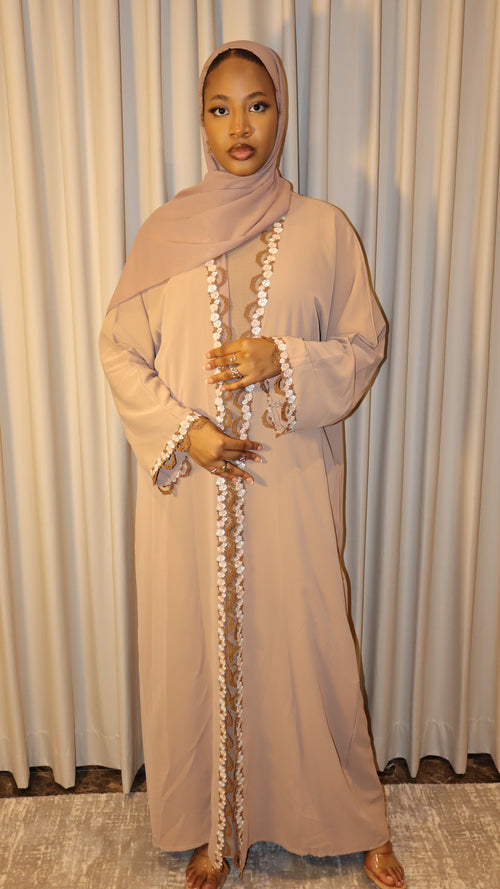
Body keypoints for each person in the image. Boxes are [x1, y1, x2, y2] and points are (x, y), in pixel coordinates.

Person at [99, 40, 406, 889]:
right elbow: (120, 350)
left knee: (313, 648)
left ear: (281, 113)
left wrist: (287, 358)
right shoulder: (164, 234)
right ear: (200, 123)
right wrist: (183, 431)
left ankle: (355, 816)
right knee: (197, 651)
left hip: (291, 488)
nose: (241, 125)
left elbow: (365, 345)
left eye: (258, 105)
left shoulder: (324, 230)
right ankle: (213, 825)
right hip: (193, 495)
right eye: (221, 108)